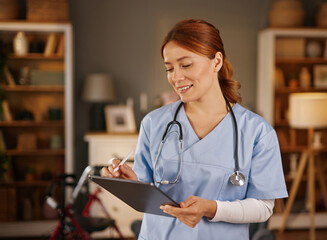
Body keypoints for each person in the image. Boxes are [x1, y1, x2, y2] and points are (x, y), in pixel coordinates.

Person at [101, 19, 288, 239]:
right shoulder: (154, 123)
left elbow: (264, 207)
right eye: (169, 68)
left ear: (216, 61)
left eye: (186, 65)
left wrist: (212, 208)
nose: (176, 77)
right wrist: (128, 183)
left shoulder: (257, 131)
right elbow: (147, 194)